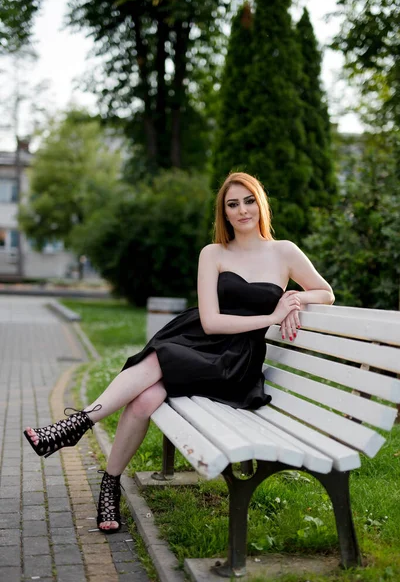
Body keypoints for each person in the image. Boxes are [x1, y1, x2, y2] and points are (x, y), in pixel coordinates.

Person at [24, 172, 334, 534]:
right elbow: (212, 321)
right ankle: (109, 485)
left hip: (233, 362)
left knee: (157, 360)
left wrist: (293, 297)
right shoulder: (214, 253)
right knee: (143, 401)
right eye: (232, 204)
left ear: (260, 203)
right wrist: (274, 314)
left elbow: (325, 292)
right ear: (225, 213)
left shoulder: (285, 252)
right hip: (198, 339)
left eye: (248, 200)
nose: (242, 210)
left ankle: (77, 424)